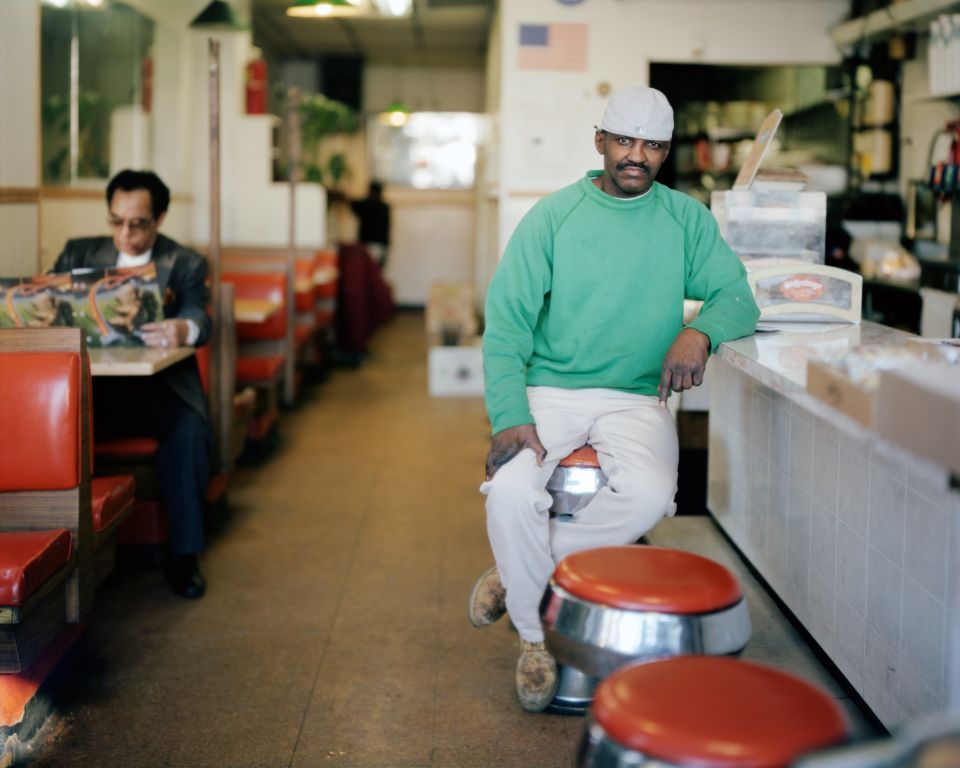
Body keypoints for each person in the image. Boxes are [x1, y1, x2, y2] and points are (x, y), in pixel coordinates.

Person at [467, 86, 760, 712]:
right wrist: (510, 415)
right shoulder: (553, 216)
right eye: (624, 141)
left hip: (636, 397)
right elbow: (507, 322)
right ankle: (533, 640)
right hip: (550, 389)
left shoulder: (685, 220)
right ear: (599, 140)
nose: (636, 156)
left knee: (654, 495)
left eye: (651, 145)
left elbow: (738, 296)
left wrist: (700, 330)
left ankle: (521, 577)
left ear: (666, 151)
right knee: (512, 493)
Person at [53, 169, 212, 599]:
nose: (126, 233)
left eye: (138, 223)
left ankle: (184, 556)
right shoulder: (77, 254)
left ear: (159, 218)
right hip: (93, 393)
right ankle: (61, 560)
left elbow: (201, 316)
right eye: (116, 221)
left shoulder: (184, 263)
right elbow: (48, 303)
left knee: (188, 432)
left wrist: (184, 329)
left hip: (158, 392)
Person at [350, 180, 391, 269]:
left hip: (366, 244)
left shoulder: (366, 204)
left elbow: (353, 204)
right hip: (380, 245)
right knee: (376, 273)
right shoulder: (385, 207)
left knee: (366, 272)